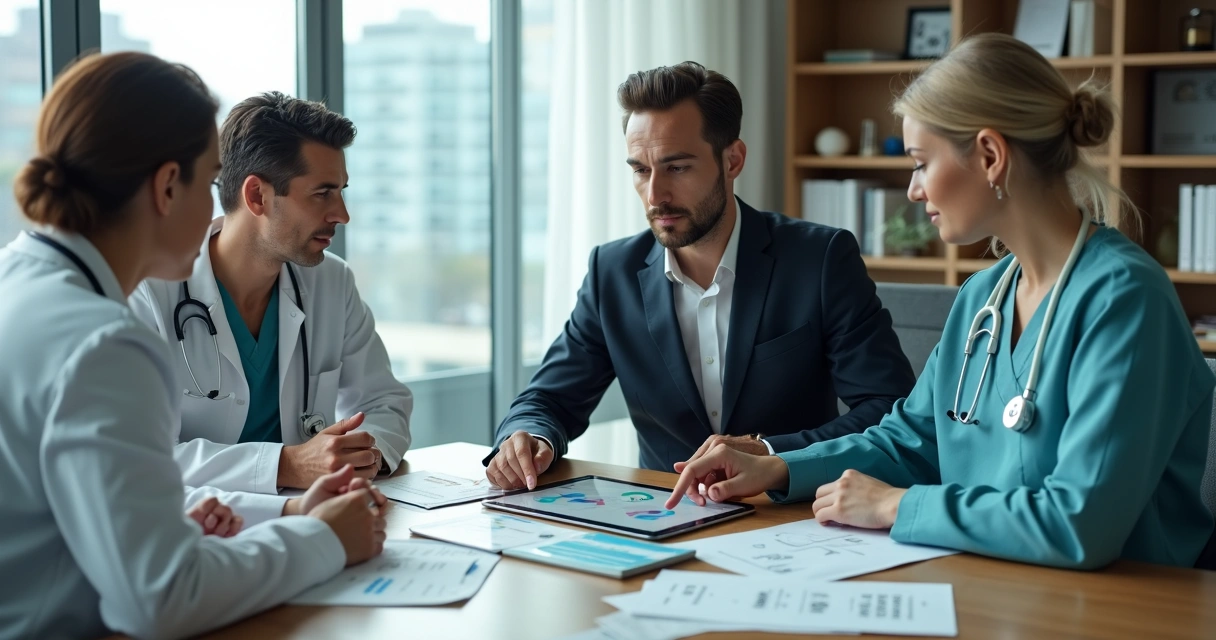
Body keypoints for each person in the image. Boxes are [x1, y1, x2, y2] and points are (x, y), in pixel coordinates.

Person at [666, 33, 1216, 570]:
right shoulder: (984, 297)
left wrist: (896, 505)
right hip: (992, 581)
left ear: (990, 155)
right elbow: (913, 439)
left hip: (1124, 611)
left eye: (920, 162)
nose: (913, 189)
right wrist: (779, 467)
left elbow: (1079, 524)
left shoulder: (1124, 300)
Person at [0, 52, 387, 640]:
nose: (218, 206)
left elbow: (72, 502)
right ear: (166, 186)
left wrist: (277, 510)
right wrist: (324, 538)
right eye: (210, 182)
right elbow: (162, 599)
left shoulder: (19, 284)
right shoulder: (104, 344)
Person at [485, 61, 916, 490]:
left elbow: (888, 407)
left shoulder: (819, 259)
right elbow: (549, 398)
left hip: (792, 515)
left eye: (677, 167)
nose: (655, 194)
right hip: (661, 520)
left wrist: (769, 452)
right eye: (640, 169)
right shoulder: (611, 272)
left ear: (732, 160)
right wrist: (529, 436)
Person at [129, 92, 413, 496]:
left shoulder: (332, 282)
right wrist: (287, 465)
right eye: (322, 193)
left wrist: (361, 456)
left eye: (342, 191)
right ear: (257, 196)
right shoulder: (149, 292)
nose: (342, 214)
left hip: (312, 518)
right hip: (199, 531)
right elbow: (140, 454)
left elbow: (385, 401)